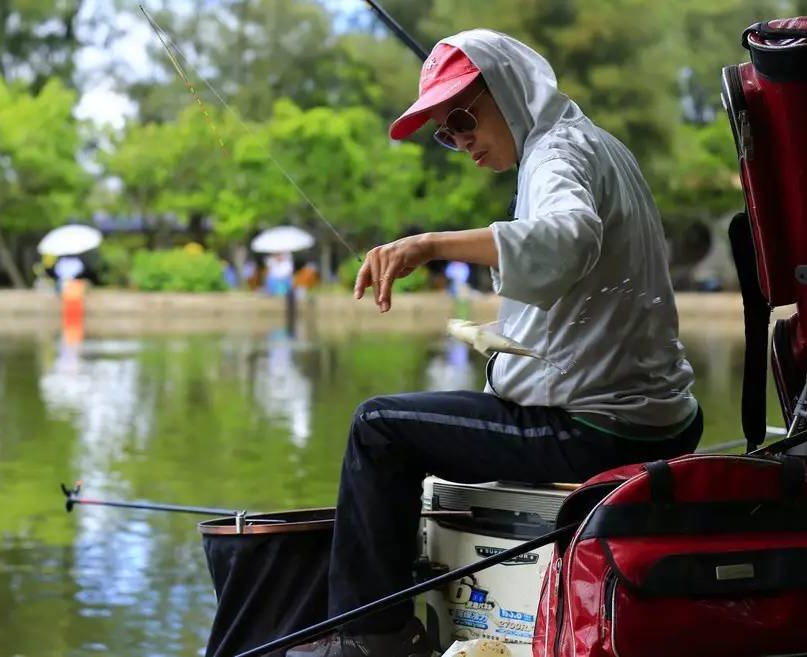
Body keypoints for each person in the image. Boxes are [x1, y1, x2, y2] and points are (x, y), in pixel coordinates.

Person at [287, 30, 702, 657]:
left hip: (595, 430)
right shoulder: (597, 145)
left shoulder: (556, 156)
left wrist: (427, 244)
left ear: (511, 89)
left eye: (463, 117)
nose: (461, 142)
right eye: (445, 133)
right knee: (409, 421)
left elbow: (567, 238)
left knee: (378, 427)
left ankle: (371, 639)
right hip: (669, 422)